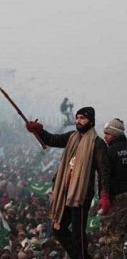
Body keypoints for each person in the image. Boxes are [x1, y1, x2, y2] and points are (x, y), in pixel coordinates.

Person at [26, 107, 111, 259]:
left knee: (78, 233)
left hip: (82, 195)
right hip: (66, 192)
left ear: (91, 121)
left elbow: (104, 172)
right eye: (77, 117)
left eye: (82, 118)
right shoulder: (72, 137)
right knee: (58, 229)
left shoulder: (97, 144)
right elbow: (52, 140)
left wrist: (104, 194)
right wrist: (39, 131)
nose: (78, 121)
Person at [101, 118, 127, 258]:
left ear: (115, 134)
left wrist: (104, 196)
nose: (105, 136)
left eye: (108, 133)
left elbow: (106, 177)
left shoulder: (110, 152)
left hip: (117, 200)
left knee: (114, 237)